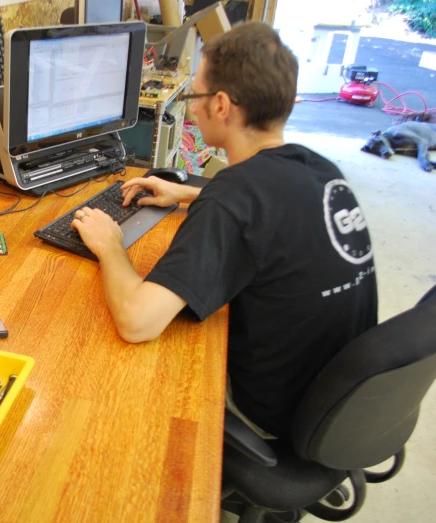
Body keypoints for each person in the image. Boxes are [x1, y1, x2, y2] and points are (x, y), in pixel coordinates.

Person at [70, 22, 377, 440]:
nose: (192, 109)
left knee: (127, 396)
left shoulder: (232, 200)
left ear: (220, 105)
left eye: (195, 96)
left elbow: (137, 323)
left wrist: (110, 245)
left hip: (277, 419)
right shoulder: (319, 169)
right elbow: (266, 213)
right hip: (343, 406)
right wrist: (185, 192)